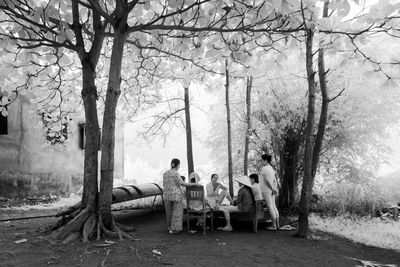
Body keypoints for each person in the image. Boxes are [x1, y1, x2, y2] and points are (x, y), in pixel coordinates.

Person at [163, 158, 199, 234]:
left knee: (169, 212)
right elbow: (183, 183)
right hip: (176, 195)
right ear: (177, 165)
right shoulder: (176, 173)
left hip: (167, 195)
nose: (179, 166)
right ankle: (175, 229)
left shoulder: (165, 173)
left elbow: (164, 185)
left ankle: (170, 227)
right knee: (177, 212)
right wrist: (195, 184)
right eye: (179, 165)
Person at [260, 154, 280, 230]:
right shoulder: (271, 168)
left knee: (270, 207)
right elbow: (274, 181)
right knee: (274, 206)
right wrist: (274, 189)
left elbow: (266, 180)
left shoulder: (264, 169)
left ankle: (274, 226)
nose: (261, 162)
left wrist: (272, 189)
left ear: (265, 160)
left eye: (262, 160)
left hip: (266, 190)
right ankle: (277, 225)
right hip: (271, 190)